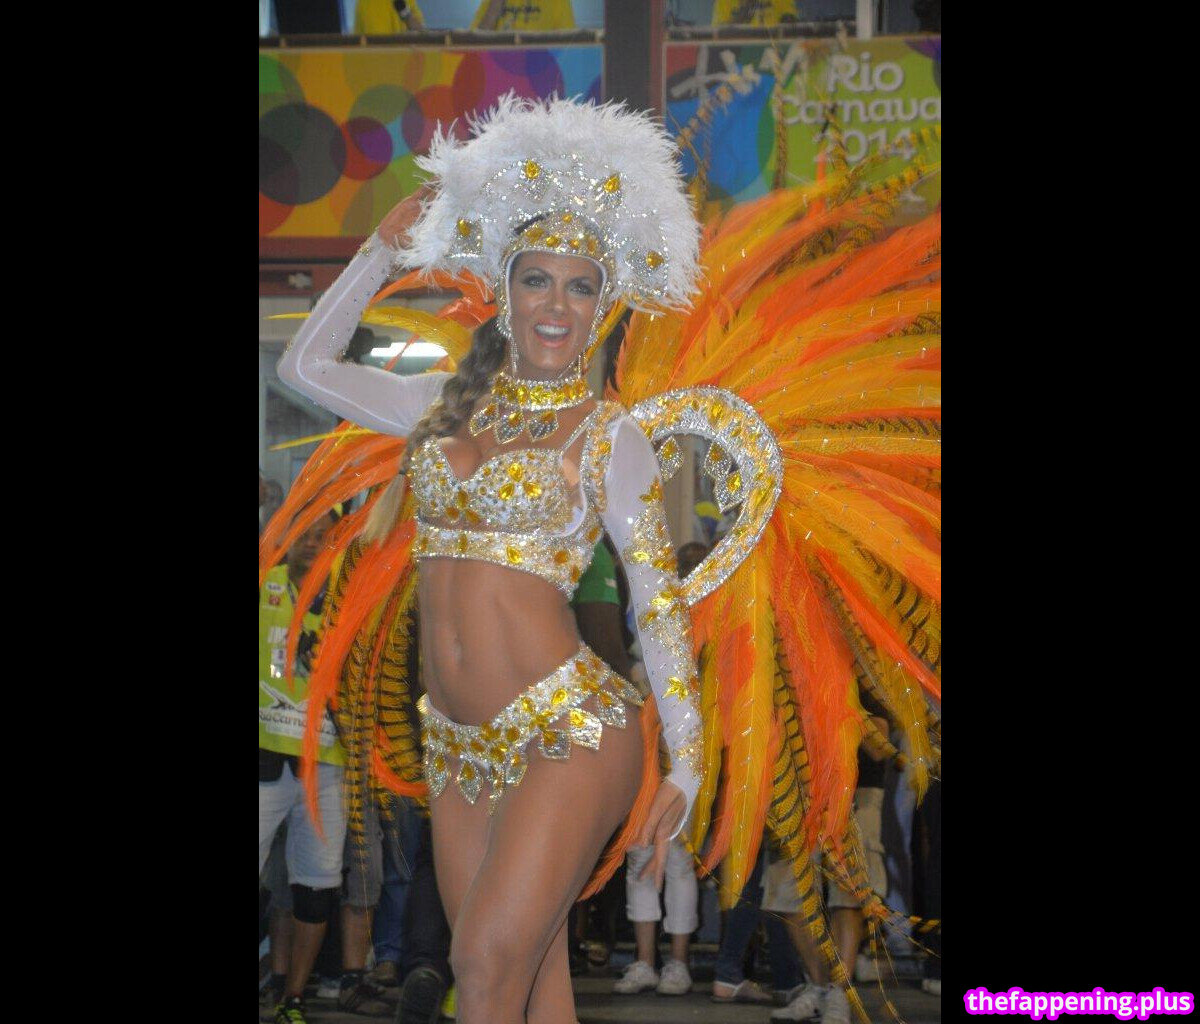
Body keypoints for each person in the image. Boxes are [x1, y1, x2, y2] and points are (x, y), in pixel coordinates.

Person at [266, 94, 941, 1024]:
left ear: (602, 307)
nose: (556, 303)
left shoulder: (609, 435)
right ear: (504, 294)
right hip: (455, 743)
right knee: (529, 979)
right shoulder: (435, 406)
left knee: (480, 968)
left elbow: (655, 607)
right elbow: (301, 368)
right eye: (537, 280)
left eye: (580, 287)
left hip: (571, 732)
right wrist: (379, 254)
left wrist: (686, 765)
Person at [259, 510, 349, 1024]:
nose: (314, 544)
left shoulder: (348, 595)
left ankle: (293, 997)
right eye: (306, 535)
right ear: (288, 539)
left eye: (324, 536)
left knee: (316, 887)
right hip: (264, 759)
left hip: (326, 765)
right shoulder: (263, 585)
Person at [470, 0, 575, 31]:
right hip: (500, 70)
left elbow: (570, 48)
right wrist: (494, 8)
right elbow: (473, 47)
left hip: (539, 70)